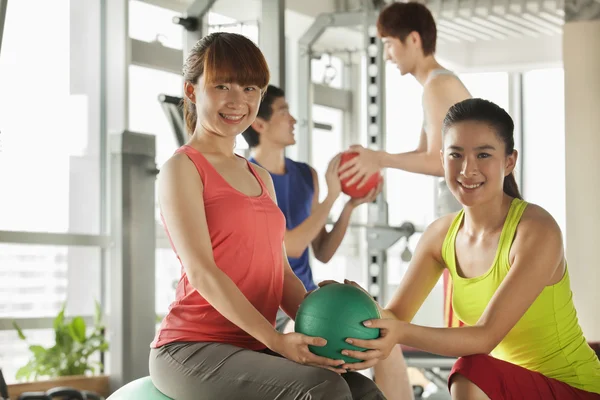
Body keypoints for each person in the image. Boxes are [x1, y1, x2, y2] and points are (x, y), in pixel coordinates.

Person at [149, 32, 385, 400]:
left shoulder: (259, 176)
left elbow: (282, 272)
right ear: (192, 91)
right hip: (191, 347)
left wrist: (325, 323)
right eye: (222, 86)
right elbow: (202, 272)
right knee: (323, 388)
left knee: (362, 388)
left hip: (251, 347)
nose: (237, 101)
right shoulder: (182, 169)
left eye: (250, 89)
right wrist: (276, 338)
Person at [323, 98, 600, 399]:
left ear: (509, 161)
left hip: (575, 389)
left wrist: (399, 332)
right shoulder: (440, 235)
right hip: (510, 388)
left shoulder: (536, 230)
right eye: (456, 155)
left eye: (483, 155)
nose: (468, 169)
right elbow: (394, 318)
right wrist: (352, 305)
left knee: (471, 368)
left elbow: (485, 337)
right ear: (443, 159)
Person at [242, 84, 381, 333]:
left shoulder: (307, 176)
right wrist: (331, 197)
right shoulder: (246, 178)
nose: (293, 119)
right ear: (259, 124)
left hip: (305, 300)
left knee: (375, 327)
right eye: (283, 111)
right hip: (263, 307)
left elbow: (323, 252)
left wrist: (349, 205)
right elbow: (291, 248)